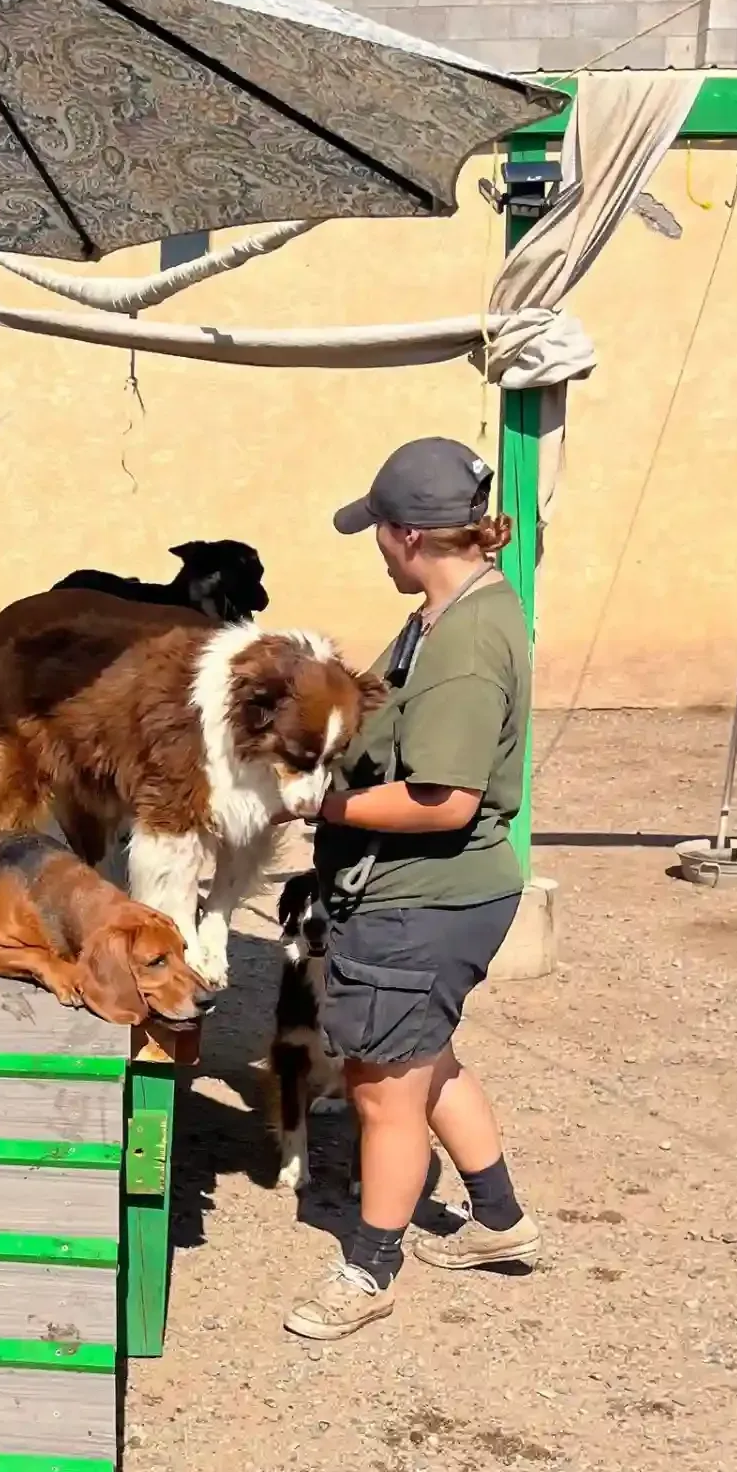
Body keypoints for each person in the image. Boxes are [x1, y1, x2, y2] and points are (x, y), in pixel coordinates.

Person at [283, 434, 539, 1342]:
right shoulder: (456, 608)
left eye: (377, 535)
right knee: (427, 1059)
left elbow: (442, 801)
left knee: (383, 1090)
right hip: (445, 898)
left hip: (422, 899)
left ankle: (368, 1268)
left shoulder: (464, 642)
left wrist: (326, 803)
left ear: (404, 536)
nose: (377, 549)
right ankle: (500, 1219)